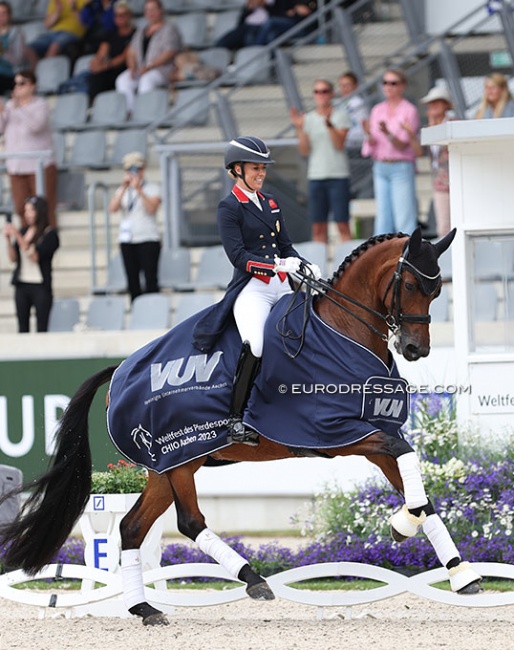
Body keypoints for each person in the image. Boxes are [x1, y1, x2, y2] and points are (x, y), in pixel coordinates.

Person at [192, 136, 321, 446]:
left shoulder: (272, 202)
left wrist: (304, 265)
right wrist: (276, 266)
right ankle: (236, 419)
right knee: (258, 344)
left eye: (263, 168)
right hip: (253, 289)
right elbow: (238, 257)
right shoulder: (229, 207)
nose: (261, 174)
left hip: (283, 285)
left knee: (312, 332)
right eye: (255, 169)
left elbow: (286, 245)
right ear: (236, 169)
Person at [290, 79, 352, 243]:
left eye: (324, 91)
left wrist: (329, 125)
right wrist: (300, 128)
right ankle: (318, 267)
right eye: (317, 91)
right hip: (316, 175)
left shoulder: (340, 115)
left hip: (338, 175)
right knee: (318, 226)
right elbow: (304, 150)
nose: (321, 95)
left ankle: (350, 266)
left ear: (331, 94)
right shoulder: (308, 118)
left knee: (342, 224)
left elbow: (339, 145)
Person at [362, 67, 419, 236]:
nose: (388, 86)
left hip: (400, 166)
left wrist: (387, 132)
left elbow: (402, 145)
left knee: (404, 217)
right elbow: (373, 143)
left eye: (393, 83)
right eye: (385, 83)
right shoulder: (377, 109)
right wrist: (367, 134)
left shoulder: (410, 110)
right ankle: (382, 257)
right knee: (383, 217)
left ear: (402, 86)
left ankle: (409, 254)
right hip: (380, 165)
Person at [0, 70, 58, 229]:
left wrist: (19, 109)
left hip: (39, 165)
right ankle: (27, 243)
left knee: (43, 207)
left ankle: (47, 243)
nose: (17, 87)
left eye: (22, 83)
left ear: (33, 86)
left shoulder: (41, 104)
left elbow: (36, 126)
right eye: (15, 84)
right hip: (16, 165)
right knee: (21, 207)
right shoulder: (10, 106)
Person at [109, 151, 161, 302]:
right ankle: (136, 308)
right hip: (128, 239)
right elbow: (112, 208)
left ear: (143, 170)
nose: (133, 173)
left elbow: (151, 208)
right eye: (129, 170)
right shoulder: (122, 190)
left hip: (147, 238)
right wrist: (124, 187)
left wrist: (139, 189)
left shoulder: (152, 188)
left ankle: (153, 308)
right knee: (132, 280)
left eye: (136, 169)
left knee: (150, 278)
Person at [2, 196, 60, 333]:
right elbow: (14, 258)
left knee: (42, 327)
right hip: (22, 284)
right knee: (22, 327)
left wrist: (17, 236)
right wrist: (8, 241)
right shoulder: (23, 231)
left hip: (40, 285)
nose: (27, 214)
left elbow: (35, 256)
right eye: (26, 211)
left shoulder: (50, 234)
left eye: (31, 210)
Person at [115, 0, 182, 114]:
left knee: (147, 80)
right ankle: (130, 111)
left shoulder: (169, 29)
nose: (150, 13)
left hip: (162, 70)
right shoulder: (141, 31)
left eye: (153, 9)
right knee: (123, 80)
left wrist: (150, 66)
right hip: (141, 69)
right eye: (147, 10)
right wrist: (132, 68)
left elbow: (170, 52)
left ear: (161, 11)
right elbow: (131, 52)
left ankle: (144, 112)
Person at [402, 86, 453, 238]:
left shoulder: (453, 123)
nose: (433, 106)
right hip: (439, 182)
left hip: (456, 179)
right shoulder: (428, 128)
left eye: (437, 102)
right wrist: (412, 135)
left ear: (445, 104)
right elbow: (419, 152)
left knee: (458, 222)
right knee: (443, 226)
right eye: (430, 104)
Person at [86, 0, 135, 102]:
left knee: (97, 77)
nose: (119, 18)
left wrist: (104, 66)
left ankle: (94, 104)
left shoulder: (135, 33)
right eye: (117, 15)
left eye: (122, 15)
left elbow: (124, 56)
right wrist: (96, 63)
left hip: (124, 68)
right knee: (91, 75)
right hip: (109, 68)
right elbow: (102, 52)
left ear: (129, 15)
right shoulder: (111, 34)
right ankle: (92, 104)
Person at [25, 0, 88, 71]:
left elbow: (84, 23)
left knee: (54, 46)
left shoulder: (84, 1)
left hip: (72, 33)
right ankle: (35, 74)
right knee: (29, 48)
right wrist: (57, 12)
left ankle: (45, 72)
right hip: (53, 33)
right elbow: (47, 25)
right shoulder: (56, 1)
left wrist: (75, 9)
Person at [0, 1, 25, 96]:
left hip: (10, 75)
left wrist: (2, 52)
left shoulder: (17, 33)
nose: (0, 17)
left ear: (9, 15)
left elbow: (18, 60)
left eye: (3, 13)